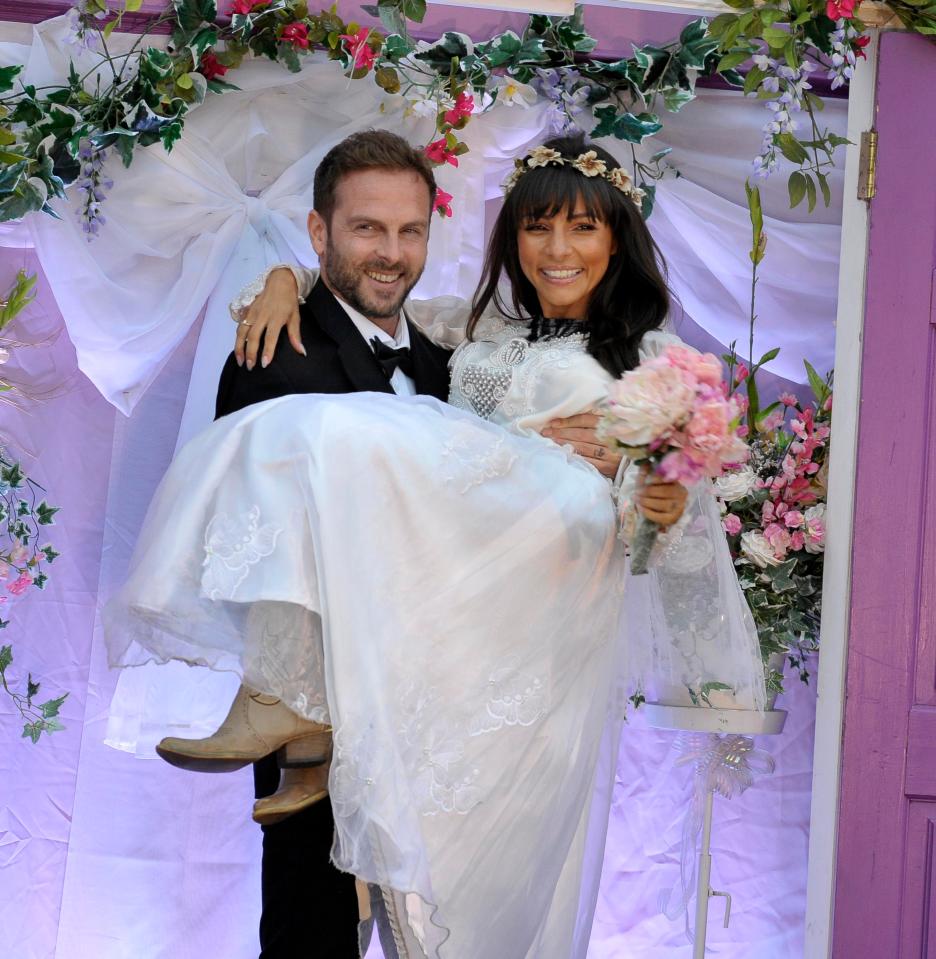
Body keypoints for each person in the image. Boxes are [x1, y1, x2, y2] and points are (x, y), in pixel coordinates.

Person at [106, 132, 763, 959]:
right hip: (370, 661)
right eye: (537, 229)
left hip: (518, 664)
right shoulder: (476, 340)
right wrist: (278, 279)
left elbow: (666, 532)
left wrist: (655, 492)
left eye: (584, 229)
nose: (558, 250)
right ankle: (295, 718)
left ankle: (306, 732)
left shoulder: (653, 365)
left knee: (469, 905)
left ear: (616, 238)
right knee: (316, 925)